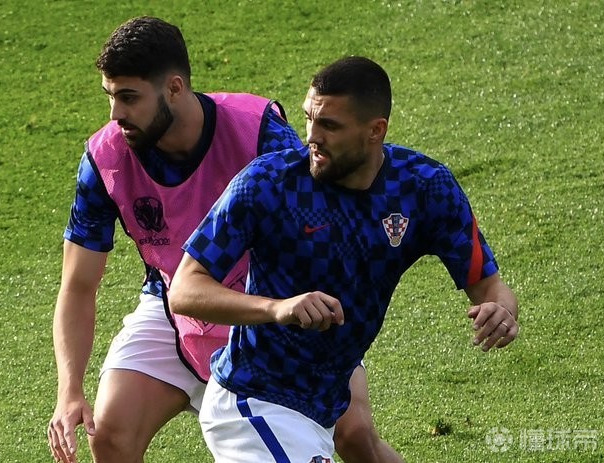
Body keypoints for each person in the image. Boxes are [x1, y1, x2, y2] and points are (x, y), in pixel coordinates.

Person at [47, 17, 403, 463]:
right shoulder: (106, 160)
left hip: (272, 295)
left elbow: (320, 226)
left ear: (174, 88)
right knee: (109, 434)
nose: (116, 114)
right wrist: (69, 391)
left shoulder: (257, 132)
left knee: (355, 435)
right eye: (111, 96)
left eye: (129, 98)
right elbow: (78, 285)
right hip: (176, 301)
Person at [168, 55, 520, 461]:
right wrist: (277, 308)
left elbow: (490, 287)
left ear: (375, 130)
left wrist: (501, 312)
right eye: (309, 118)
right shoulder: (268, 184)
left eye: (329, 126)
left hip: (325, 406)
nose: (311, 137)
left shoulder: (424, 188)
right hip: (253, 403)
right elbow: (184, 290)